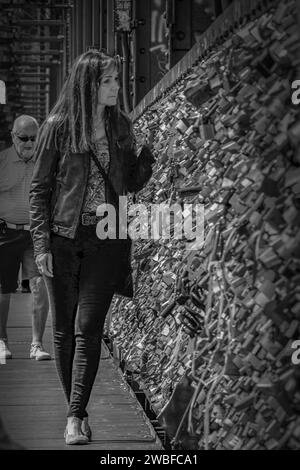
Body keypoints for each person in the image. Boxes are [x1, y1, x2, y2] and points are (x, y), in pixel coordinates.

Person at [29, 50, 155, 445]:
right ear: (89, 84)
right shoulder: (58, 127)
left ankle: (73, 418)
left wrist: (147, 155)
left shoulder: (120, 126)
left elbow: (130, 184)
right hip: (63, 240)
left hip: (106, 239)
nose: (117, 87)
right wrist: (41, 244)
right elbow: (40, 190)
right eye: (109, 81)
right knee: (64, 332)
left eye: (117, 80)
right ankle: (77, 413)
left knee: (88, 329)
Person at [0, 115, 51, 361]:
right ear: (13, 137)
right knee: (3, 289)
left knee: (40, 286)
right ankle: (1, 342)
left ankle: (37, 344)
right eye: (24, 138)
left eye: (34, 138)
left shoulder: (45, 160)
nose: (29, 143)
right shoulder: (2, 161)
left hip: (35, 232)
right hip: (5, 232)